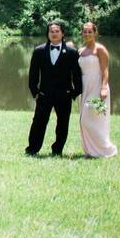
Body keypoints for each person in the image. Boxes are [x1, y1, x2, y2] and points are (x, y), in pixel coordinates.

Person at [26, 20, 82, 157]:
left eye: (57, 31)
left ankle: (57, 150)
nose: (54, 34)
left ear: (63, 34)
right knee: (38, 123)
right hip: (44, 94)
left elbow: (76, 75)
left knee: (62, 124)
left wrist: (74, 92)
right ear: (47, 34)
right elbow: (33, 75)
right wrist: (35, 92)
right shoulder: (39, 51)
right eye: (52, 31)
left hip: (64, 95)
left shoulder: (71, 52)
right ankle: (32, 149)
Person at [78, 22, 118, 158]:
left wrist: (104, 87)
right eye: (85, 31)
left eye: (90, 31)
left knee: (93, 118)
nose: (87, 34)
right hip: (84, 87)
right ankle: (90, 151)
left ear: (95, 33)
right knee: (83, 119)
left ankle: (106, 149)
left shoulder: (100, 49)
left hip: (98, 85)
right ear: (81, 33)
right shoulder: (80, 51)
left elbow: (105, 70)